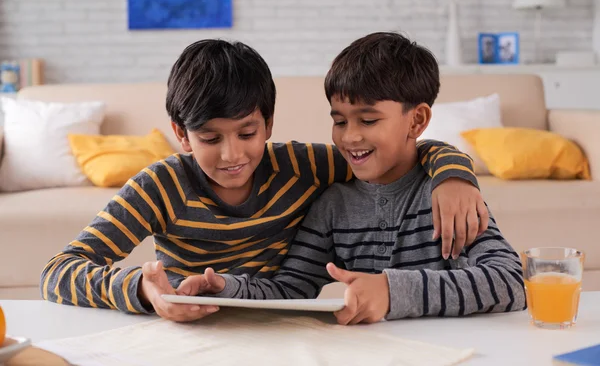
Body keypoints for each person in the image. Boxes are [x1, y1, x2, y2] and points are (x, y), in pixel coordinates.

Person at [41, 38, 488, 322]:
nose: (233, 154)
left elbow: (393, 158)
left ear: (269, 124)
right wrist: (139, 288)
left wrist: (454, 175)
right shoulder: (160, 186)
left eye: (248, 133)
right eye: (210, 138)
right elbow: (58, 271)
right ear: (181, 134)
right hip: (190, 336)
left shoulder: (301, 166)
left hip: (280, 328)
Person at [178, 32, 526, 324]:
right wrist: (229, 288)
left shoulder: (446, 195)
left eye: (368, 120)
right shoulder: (332, 207)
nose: (350, 137)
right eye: (340, 121)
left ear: (417, 121)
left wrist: (391, 291)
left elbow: (512, 282)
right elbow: (290, 289)